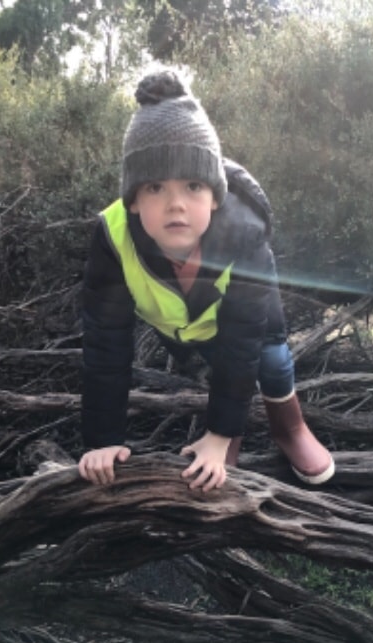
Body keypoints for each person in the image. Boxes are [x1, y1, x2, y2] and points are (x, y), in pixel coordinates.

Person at [77, 67, 334, 492]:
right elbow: (106, 343)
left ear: (215, 196)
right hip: (185, 327)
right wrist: (103, 440)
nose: (176, 204)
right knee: (216, 359)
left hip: (250, 320)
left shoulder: (244, 231)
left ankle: (290, 429)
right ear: (134, 199)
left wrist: (217, 435)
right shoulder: (112, 236)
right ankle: (227, 433)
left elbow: (242, 340)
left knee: (269, 360)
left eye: (193, 185)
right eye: (155, 187)